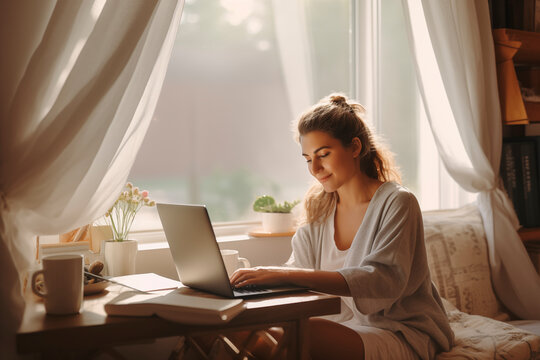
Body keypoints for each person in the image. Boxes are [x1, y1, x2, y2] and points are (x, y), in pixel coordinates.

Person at [230, 94, 454, 360]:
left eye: (323, 154)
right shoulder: (319, 207)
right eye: (307, 158)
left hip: (399, 331)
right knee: (233, 329)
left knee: (294, 336)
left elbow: (383, 280)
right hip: (343, 324)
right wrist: (250, 286)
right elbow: (299, 270)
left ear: (355, 147)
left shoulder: (398, 202)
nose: (314, 168)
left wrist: (282, 275)